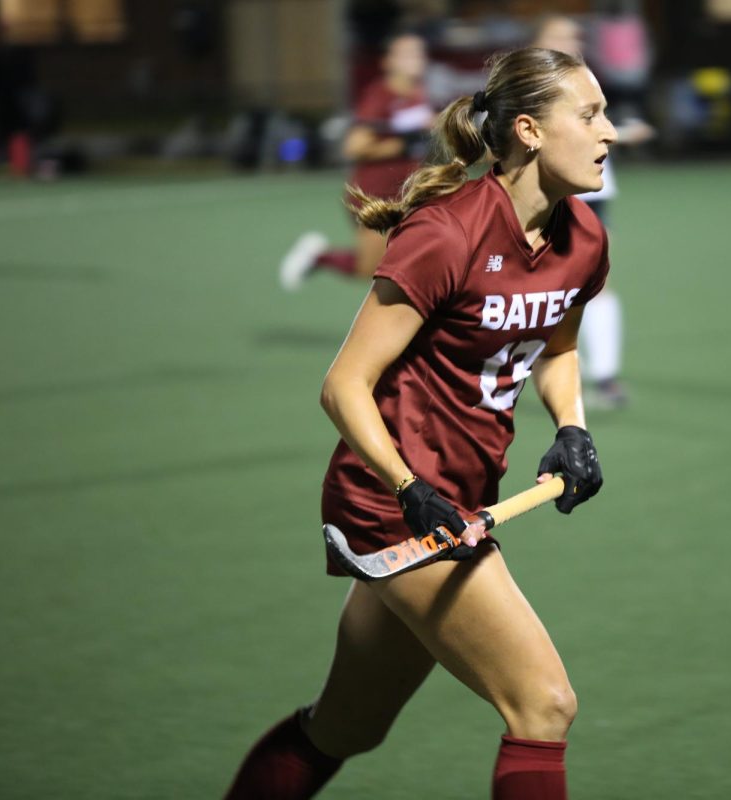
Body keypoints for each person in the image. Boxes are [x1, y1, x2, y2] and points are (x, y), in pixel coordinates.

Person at [226, 45, 615, 800]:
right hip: (390, 506)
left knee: (346, 729)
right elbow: (344, 386)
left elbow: (556, 343)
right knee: (543, 704)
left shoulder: (584, 239)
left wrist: (571, 425)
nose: (610, 133)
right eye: (591, 115)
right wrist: (409, 490)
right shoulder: (447, 233)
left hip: (456, 501)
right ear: (530, 131)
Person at [532, 14, 650, 409]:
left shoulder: (586, 79)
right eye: (558, 35)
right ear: (540, 42)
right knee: (541, 285)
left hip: (592, 191)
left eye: (572, 35)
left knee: (598, 282)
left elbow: (597, 126)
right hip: (547, 192)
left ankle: (606, 377)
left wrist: (621, 131)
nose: (568, 41)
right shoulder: (531, 83)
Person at [279, 32, 434, 289]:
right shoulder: (380, 96)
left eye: (418, 52)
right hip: (374, 196)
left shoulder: (417, 93)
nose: (415, 58)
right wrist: (402, 144)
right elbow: (354, 147)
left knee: (418, 261)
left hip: (406, 194)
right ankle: (318, 256)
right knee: (370, 269)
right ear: (388, 62)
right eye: (406, 53)